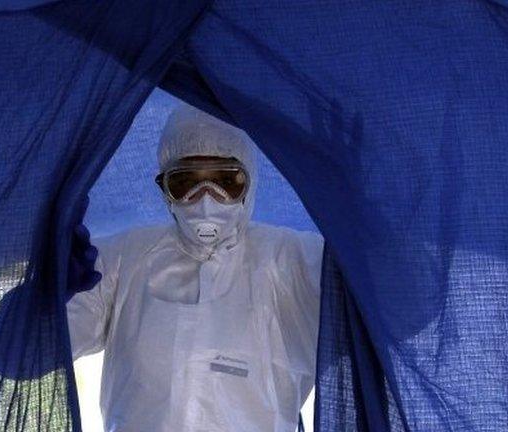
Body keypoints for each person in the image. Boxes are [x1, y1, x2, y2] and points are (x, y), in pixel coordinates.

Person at [66, 104, 324, 432]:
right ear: (165, 189)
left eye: (226, 181)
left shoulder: (293, 260)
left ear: (250, 182)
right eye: (186, 181)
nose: (205, 199)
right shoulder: (122, 260)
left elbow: (392, 305)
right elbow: (14, 358)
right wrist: (47, 300)